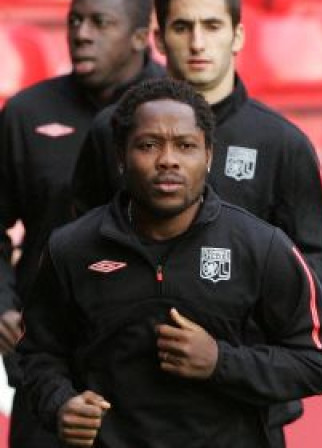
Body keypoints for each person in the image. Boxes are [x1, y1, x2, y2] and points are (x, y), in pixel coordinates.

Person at [70, 0, 322, 443]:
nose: (198, 42)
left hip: (246, 409)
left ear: (237, 36)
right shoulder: (113, 132)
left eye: (212, 26)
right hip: (127, 414)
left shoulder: (282, 142)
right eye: (183, 27)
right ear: (160, 39)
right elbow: (80, 249)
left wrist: (230, 341)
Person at [18, 77, 322, 447]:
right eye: (148, 145)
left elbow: (319, 363)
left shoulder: (261, 247)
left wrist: (221, 361)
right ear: (121, 157)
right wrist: (61, 404)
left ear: (208, 156)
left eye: (185, 145)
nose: (167, 159)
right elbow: (38, 354)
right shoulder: (71, 249)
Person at [0, 0, 163, 445]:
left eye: (99, 22)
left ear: (139, 34)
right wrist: (2, 306)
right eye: (74, 21)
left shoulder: (179, 112)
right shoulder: (27, 112)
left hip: (153, 374)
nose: (81, 34)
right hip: (48, 363)